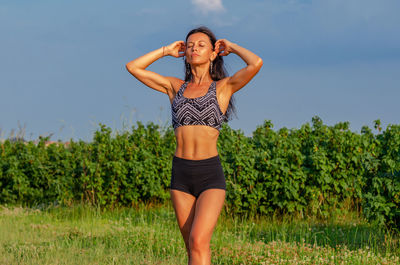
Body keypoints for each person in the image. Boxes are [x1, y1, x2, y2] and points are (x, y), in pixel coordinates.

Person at [125, 26, 262, 265]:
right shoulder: (175, 87)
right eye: (190, 45)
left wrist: (232, 47)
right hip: (181, 174)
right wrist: (166, 50)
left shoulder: (222, 88)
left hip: (209, 174)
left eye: (200, 45)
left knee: (199, 240)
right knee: (192, 246)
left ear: (213, 54)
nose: (193, 48)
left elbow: (256, 63)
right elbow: (133, 67)